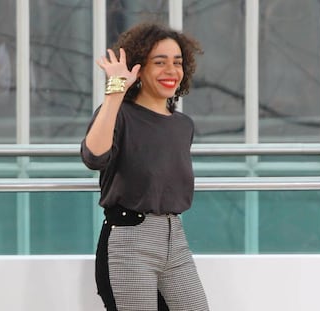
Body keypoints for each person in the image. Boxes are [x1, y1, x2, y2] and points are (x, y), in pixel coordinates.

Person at [80, 22, 209, 311]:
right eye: (159, 62)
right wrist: (115, 91)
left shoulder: (182, 125)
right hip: (129, 238)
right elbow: (93, 156)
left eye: (177, 62)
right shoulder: (120, 114)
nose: (171, 71)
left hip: (174, 238)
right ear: (139, 68)